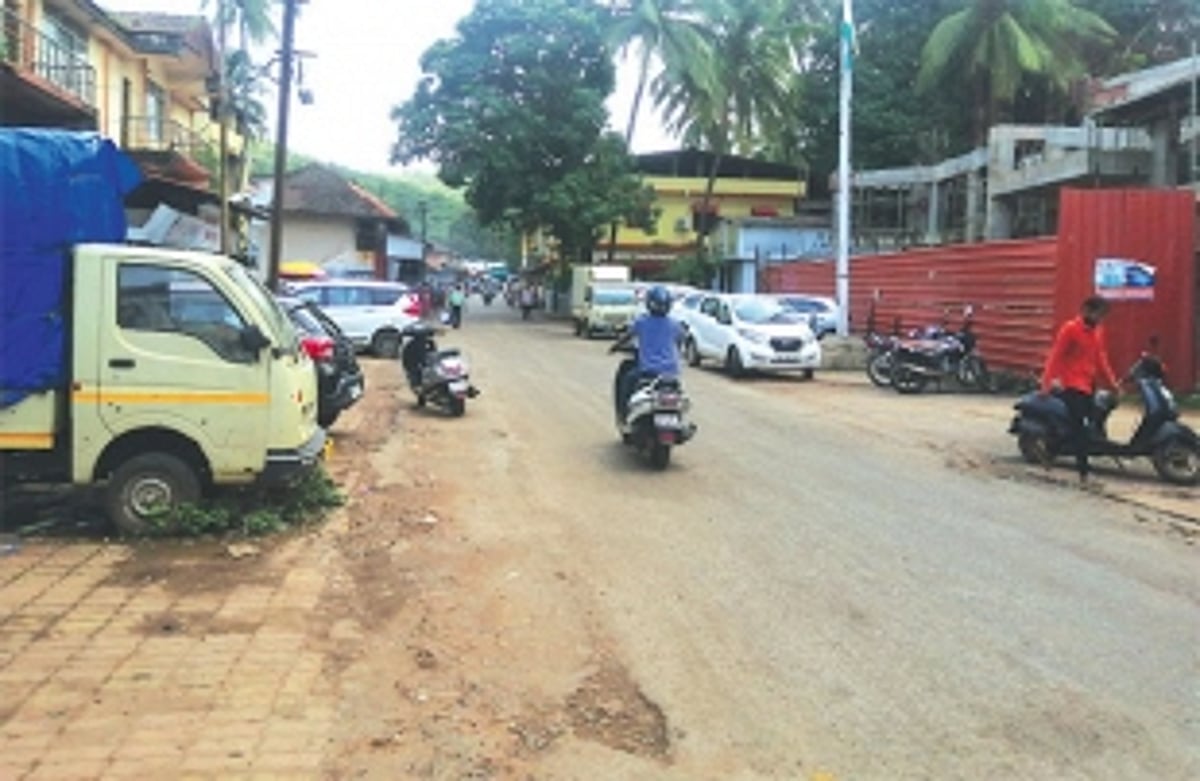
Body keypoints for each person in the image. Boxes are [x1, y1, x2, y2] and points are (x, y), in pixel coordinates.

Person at [1039, 295, 1120, 482]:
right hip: (1071, 385)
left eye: (1103, 316)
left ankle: (1050, 451)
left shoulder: (1097, 332)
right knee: (1081, 427)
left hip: (1088, 385)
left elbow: (1101, 359)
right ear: (1087, 311)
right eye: (1099, 314)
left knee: (1083, 425)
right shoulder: (1070, 329)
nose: (1101, 319)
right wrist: (1046, 383)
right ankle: (1084, 471)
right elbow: (1056, 356)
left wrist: (1112, 383)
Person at [609, 285, 683, 419]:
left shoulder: (642, 322)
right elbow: (679, 341)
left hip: (648, 372)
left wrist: (615, 346)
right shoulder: (674, 324)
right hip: (671, 373)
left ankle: (624, 415)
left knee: (626, 381)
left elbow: (627, 336)